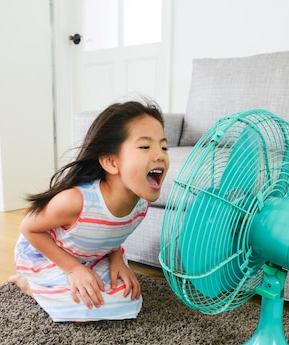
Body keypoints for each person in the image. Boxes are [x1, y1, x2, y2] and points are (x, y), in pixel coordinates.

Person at [9, 100, 170, 322]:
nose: (160, 155)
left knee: (127, 296)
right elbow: (29, 228)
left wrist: (117, 260)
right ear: (111, 162)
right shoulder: (75, 201)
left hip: (91, 254)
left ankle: (71, 279)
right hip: (49, 256)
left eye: (163, 147)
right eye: (145, 147)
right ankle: (28, 282)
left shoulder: (141, 203)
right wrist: (73, 270)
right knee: (81, 309)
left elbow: (113, 232)